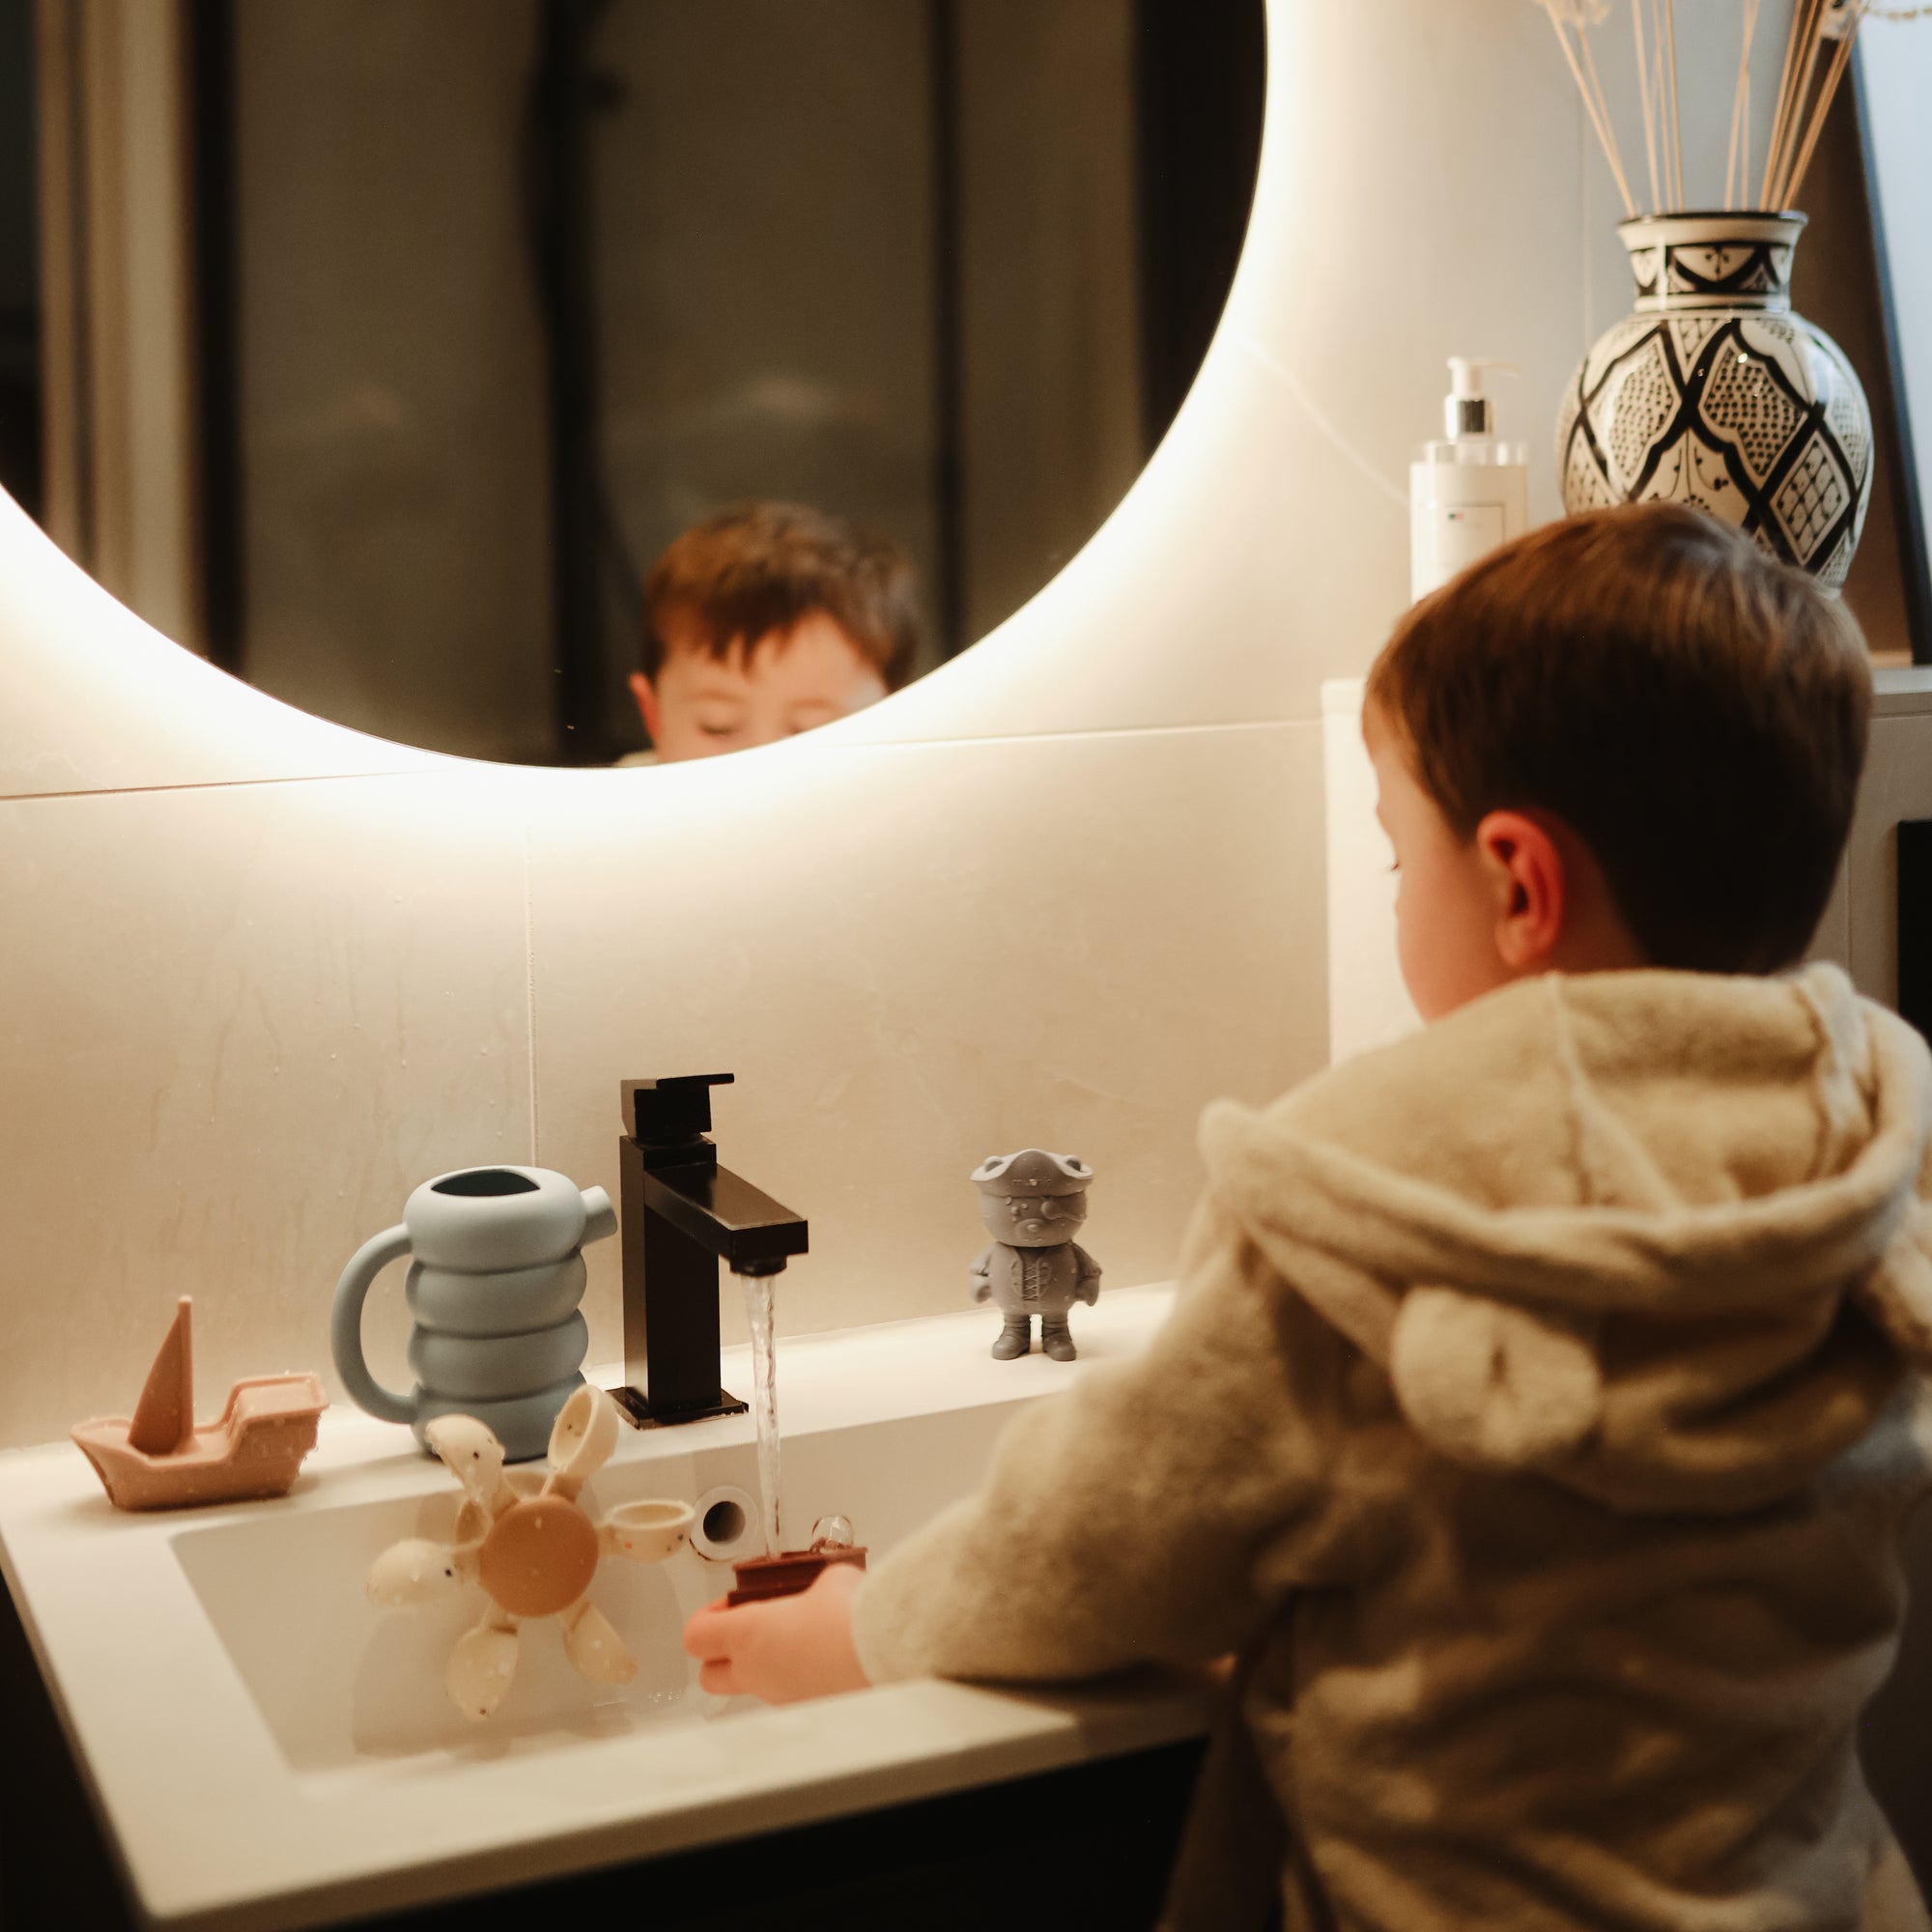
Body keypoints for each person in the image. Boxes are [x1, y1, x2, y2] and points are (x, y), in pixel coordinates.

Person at [683, 503, 1932, 1931]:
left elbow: (1093, 1549)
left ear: (1518, 883)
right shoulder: (1857, 1155)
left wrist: (857, 1629)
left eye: (1400, 857)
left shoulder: (1366, 1207)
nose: (1394, 891)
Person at [625, 502, 922, 762]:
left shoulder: (922, 803)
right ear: (653, 714)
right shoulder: (613, 805)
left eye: (811, 730)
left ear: (895, 721)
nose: (760, 758)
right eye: (718, 727)